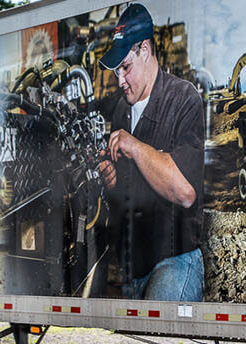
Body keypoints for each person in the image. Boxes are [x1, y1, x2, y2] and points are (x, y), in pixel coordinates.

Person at [95, 3, 205, 302]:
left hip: (175, 259)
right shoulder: (122, 109)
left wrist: (133, 146)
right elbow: (130, 189)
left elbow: (185, 193)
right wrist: (114, 181)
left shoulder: (183, 98)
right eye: (116, 72)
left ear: (145, 50)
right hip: (132, 267)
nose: (120, 81)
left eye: (125, 68)